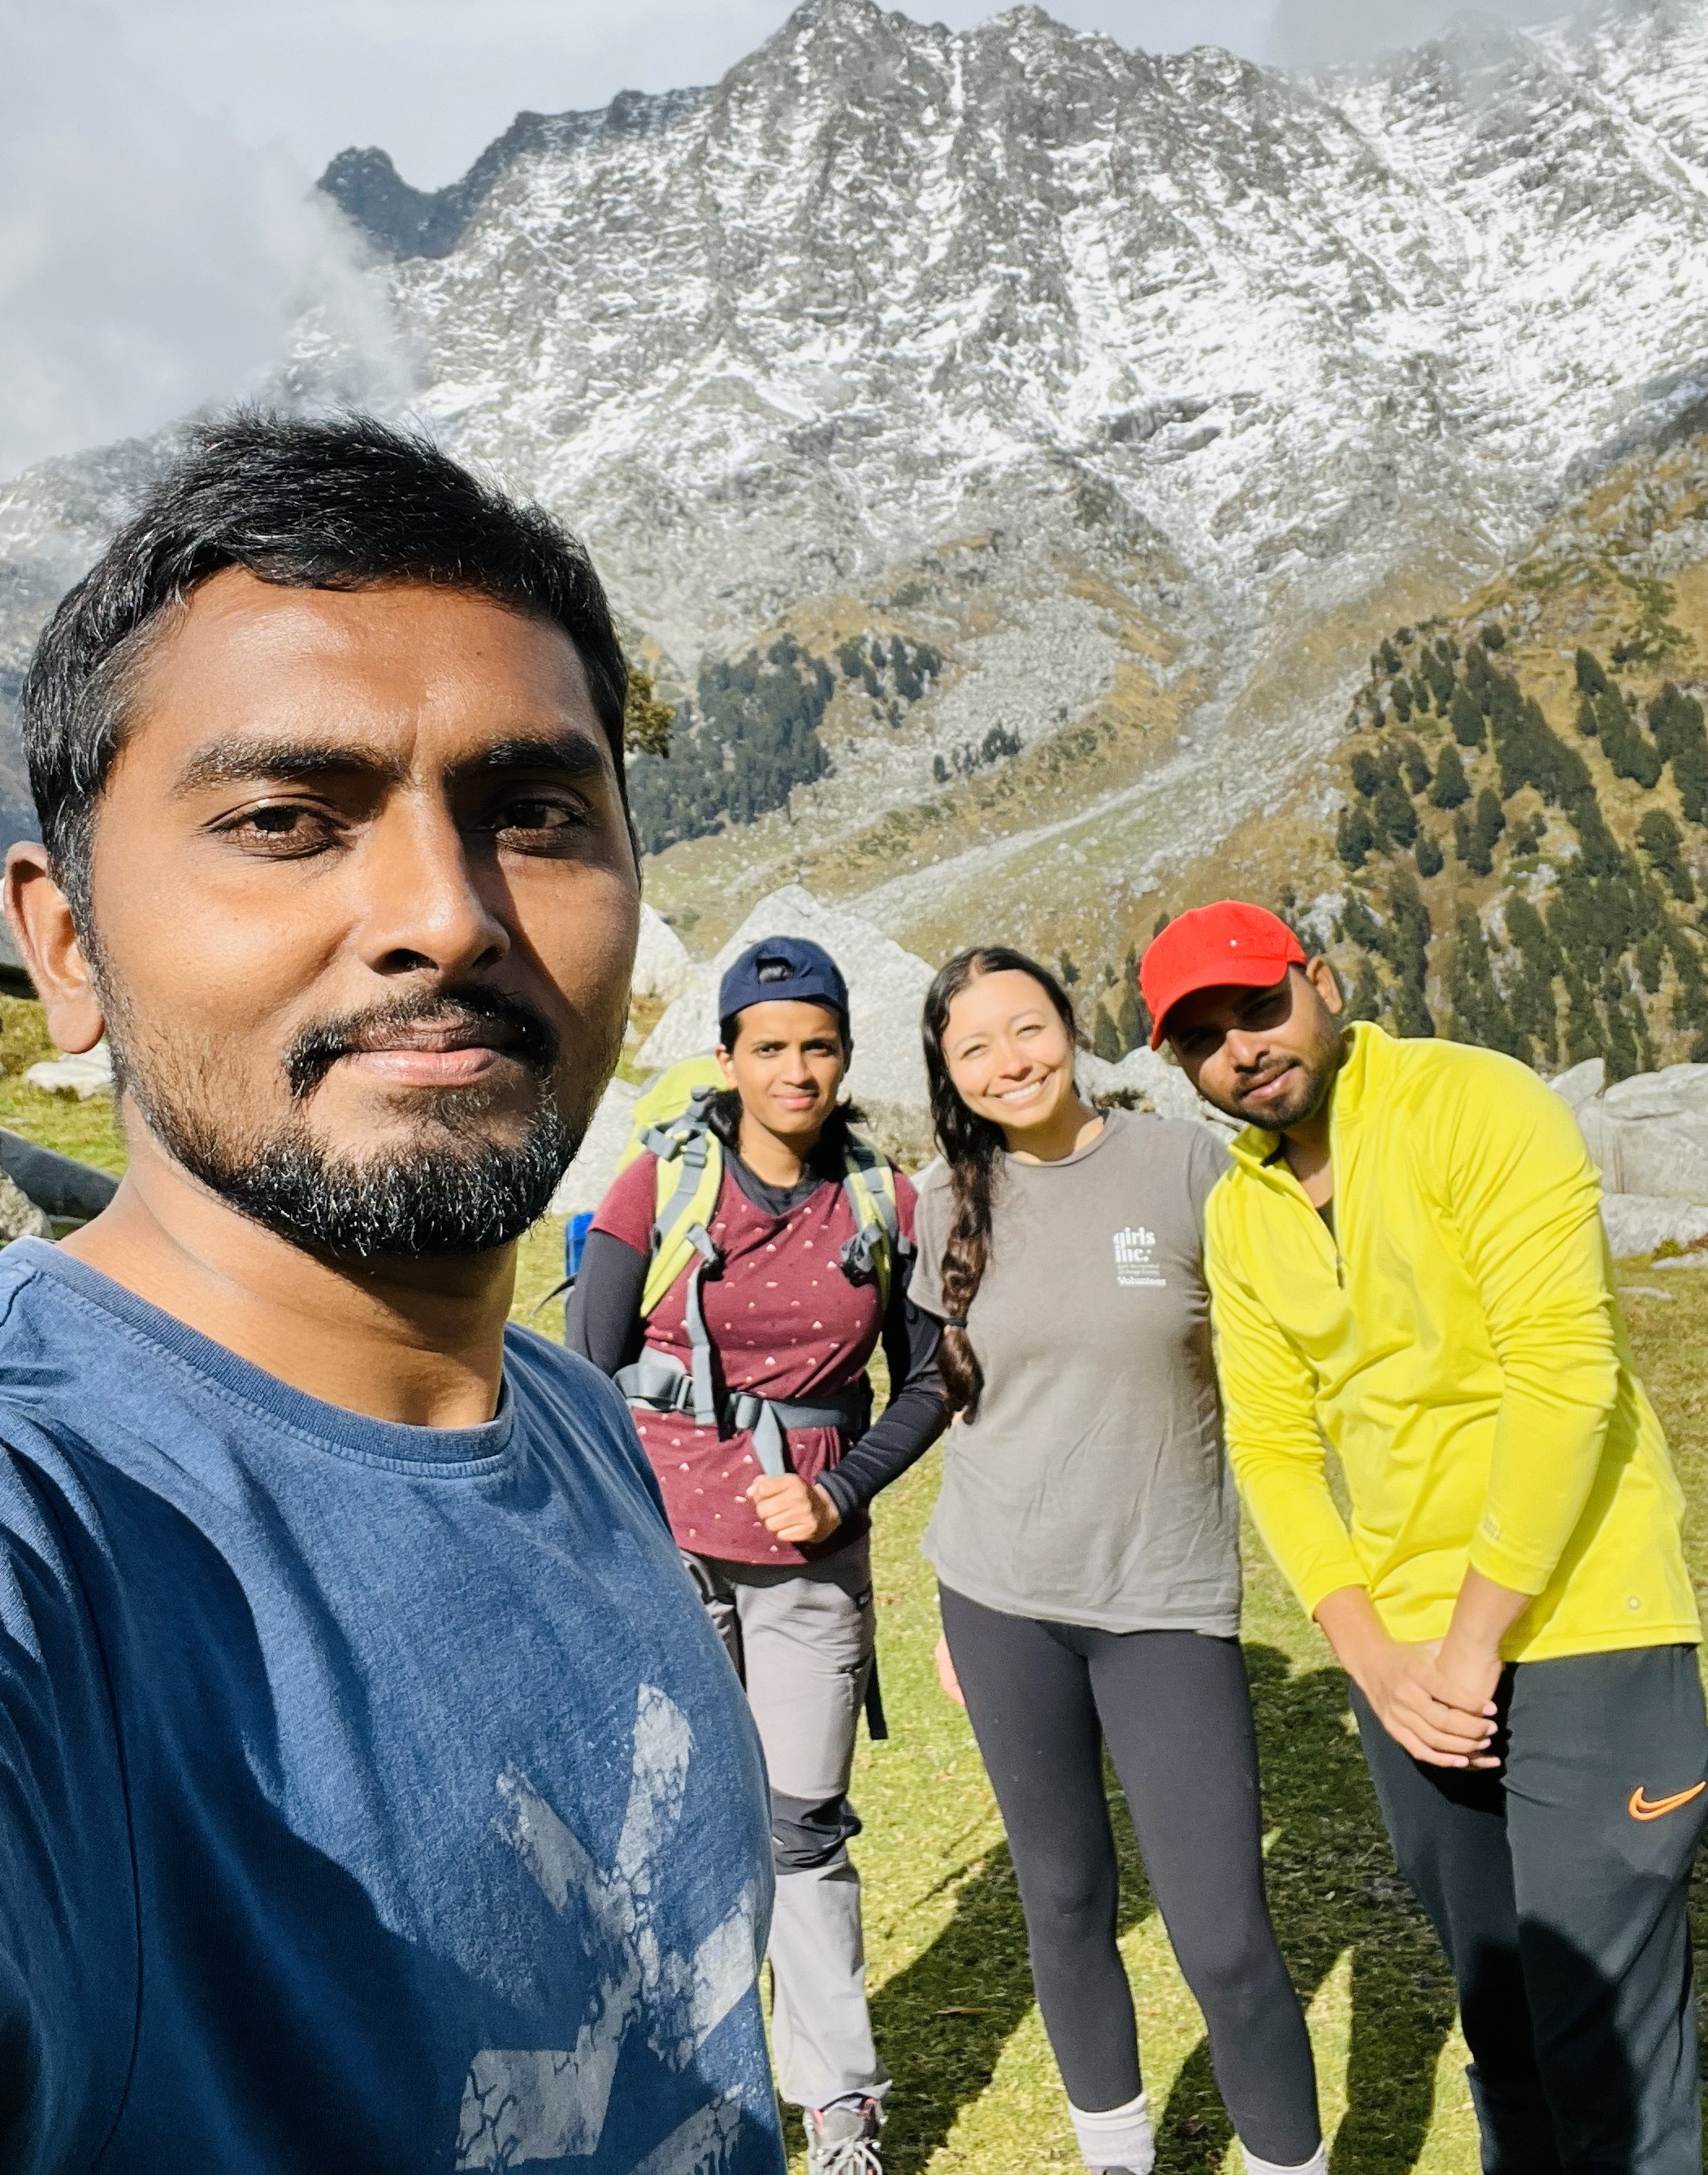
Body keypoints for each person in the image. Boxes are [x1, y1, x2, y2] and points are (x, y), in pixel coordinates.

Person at [0, 414, 784, 2175]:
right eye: (286, 816)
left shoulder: (570, 1418)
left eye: (536, 810)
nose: (444, 911)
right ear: (63, 940)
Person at [1145, 898, 1706, 2175]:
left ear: (1324, 985)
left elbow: (1565, 1378)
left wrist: (1466, 1646)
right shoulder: (1242, 1211)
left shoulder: (1477, 1105)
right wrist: (1373, 1655)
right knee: (1503, 2030)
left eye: (1260, 1006)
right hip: (1410, 1670)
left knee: (1607, 2049)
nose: (1242, 1047)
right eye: (1202, 1036)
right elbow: (1275, 1449)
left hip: (1587, 1626)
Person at [914, 945, 1325, 2175]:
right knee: (1066, 1903)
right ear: (946, 1071)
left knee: (1225, 1938)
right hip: (998, 1599)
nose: (1009, 1062)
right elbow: (964, 1400)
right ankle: (1119, 2160)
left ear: (1072, 1029)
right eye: (972, 1045)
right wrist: (949, 1611)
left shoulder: (1186, 1167)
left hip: (1163, 1601)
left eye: (1026, 1028)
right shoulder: (946, 1199)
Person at [569, 938, 947, 2175]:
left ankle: (840, 2108)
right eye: (770, 1046)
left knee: (803, 1830)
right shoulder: (660, 1187)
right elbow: (590, 1364)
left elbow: (932, 1378)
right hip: (664, 1552)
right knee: (670, 1826)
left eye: (819, 1045)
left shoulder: (883, 1200)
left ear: (845, 1054)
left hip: (809, 1565)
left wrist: (839, 1493)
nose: (797, 1068)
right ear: (726, 1056)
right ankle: (679, 2092)